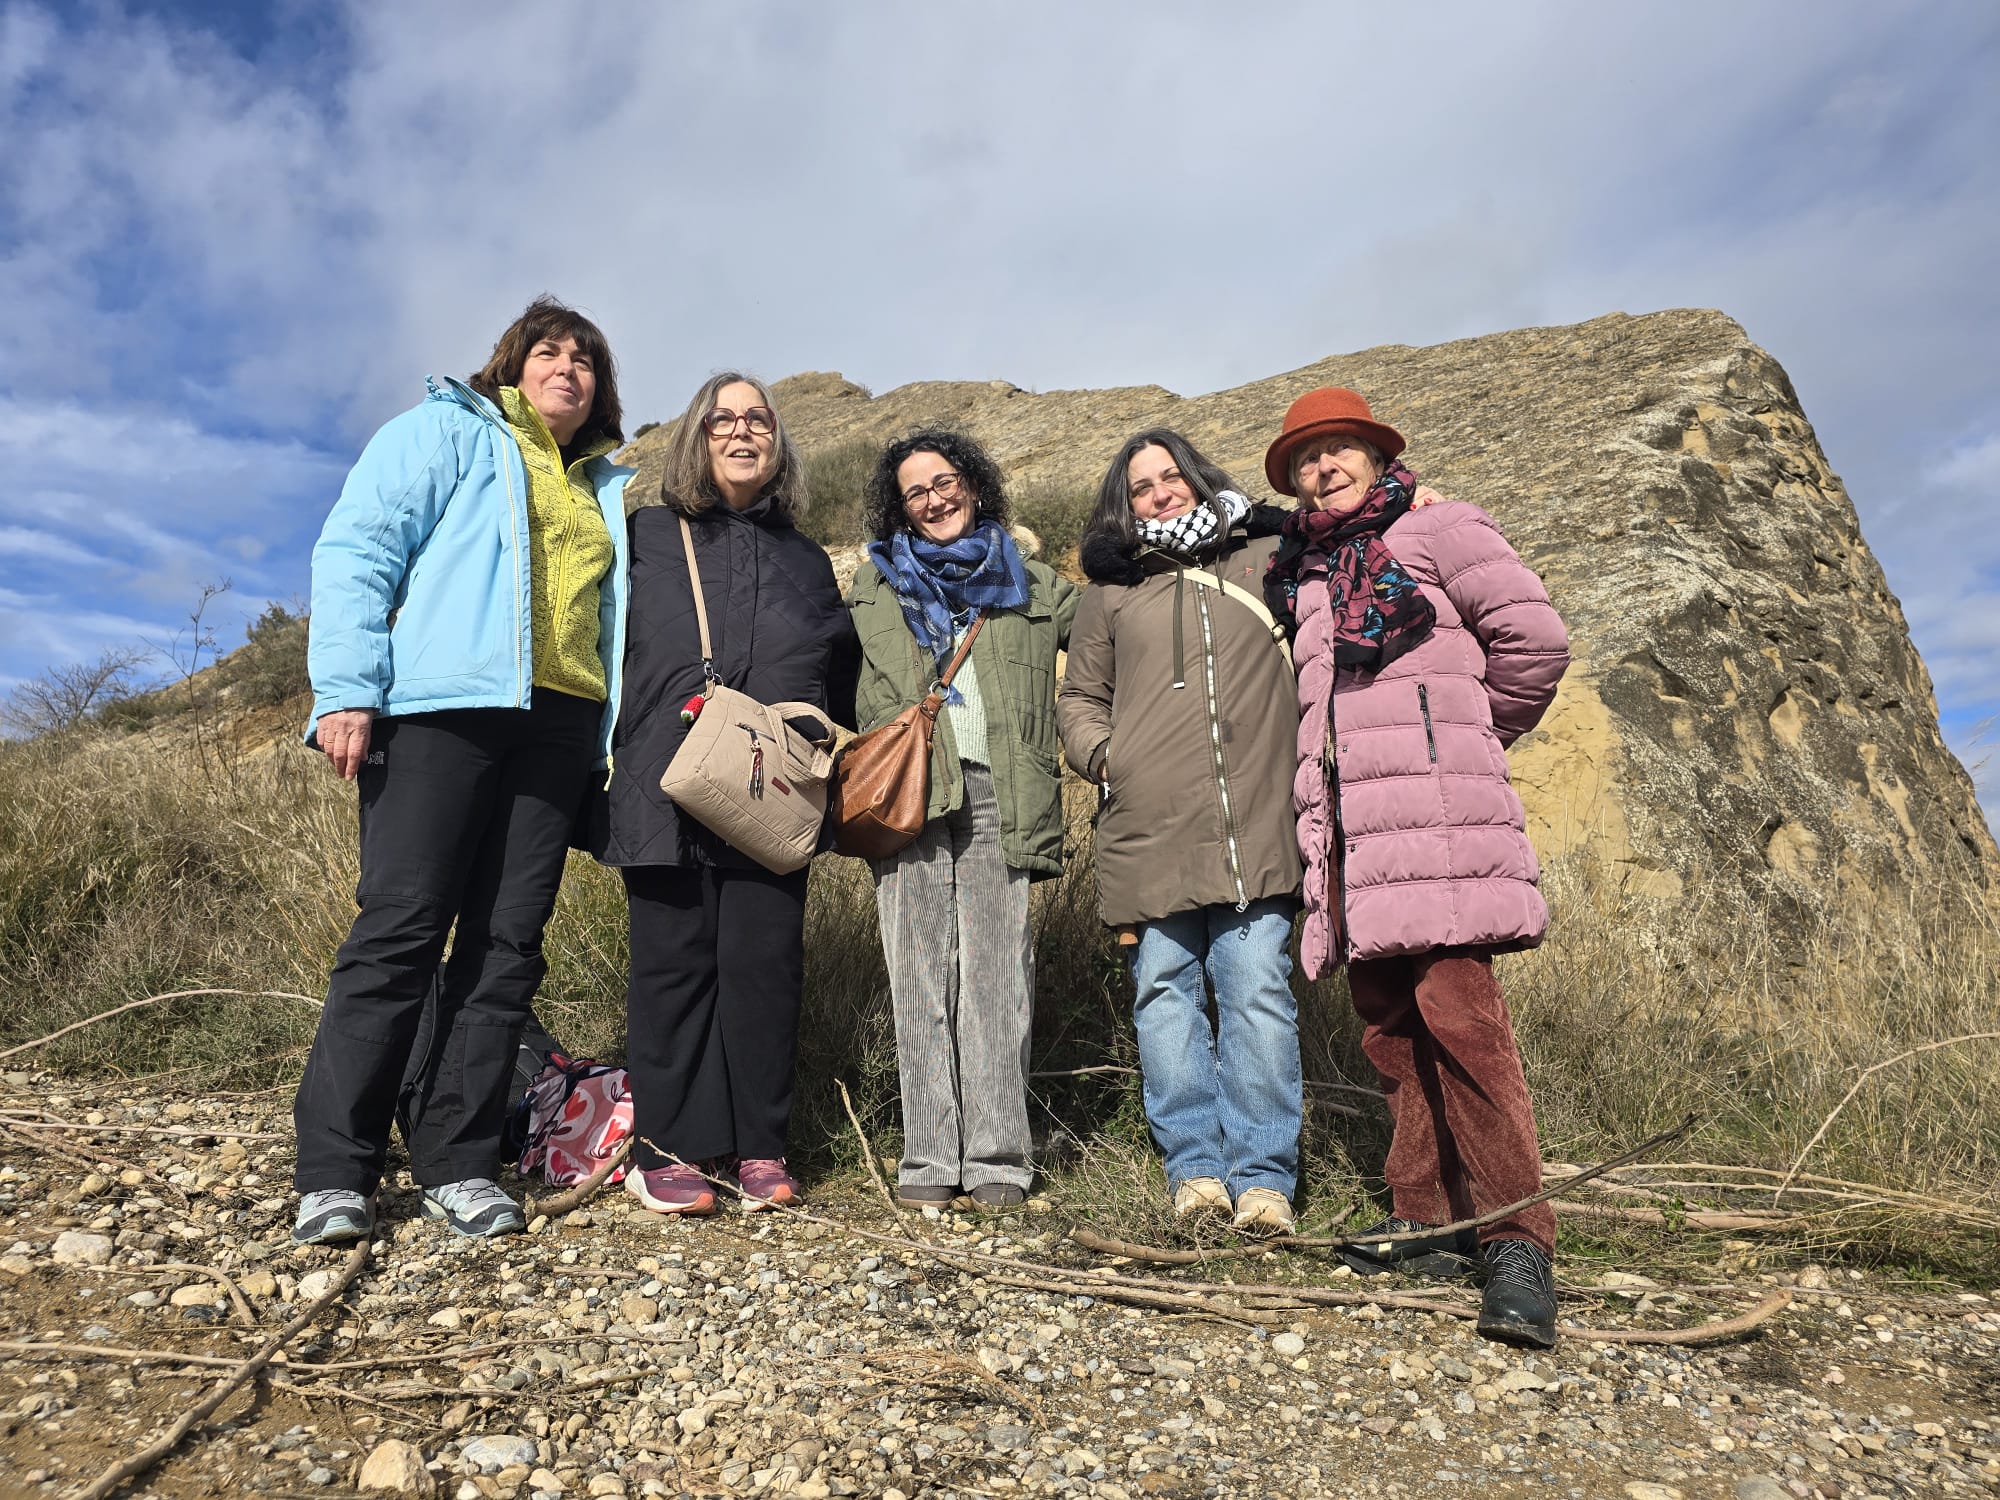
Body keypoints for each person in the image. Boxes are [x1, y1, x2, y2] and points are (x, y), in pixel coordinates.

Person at [294, 296, 633, 1245]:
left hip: (559, 729)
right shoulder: (446, 431)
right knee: (399, 931)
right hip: (442, 712)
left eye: (586, 360)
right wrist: (347, 690)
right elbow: (360, 548)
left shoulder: (601, 482)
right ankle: (334, 1169)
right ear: (512, 364)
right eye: (549, 352)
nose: (567, 368)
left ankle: (457, 1160)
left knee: (505, 947)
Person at [1262, 386, 1570, 1347]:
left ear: (1374, 453)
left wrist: (1469, 743)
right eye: (1307, 458)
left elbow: (1535, 642)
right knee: (1391, 1034)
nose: (1324, 467)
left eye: (1339, 449)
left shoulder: (1444, 530)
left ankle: (1517, 1241)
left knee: (1465, 1025)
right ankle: (1424, 1218)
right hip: (1356, 837)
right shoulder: (1304, 577)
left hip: (1434, 827)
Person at [592, 372, 856, 1217]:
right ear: (696, 439)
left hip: (770, 784)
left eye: (758, 420)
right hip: (661, 776)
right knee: (673, 966)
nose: (743, 433)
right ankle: (670, 1147)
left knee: (762, 966)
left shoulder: (805, 557)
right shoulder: (646, 533)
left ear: (777, 441)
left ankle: (758, 1147)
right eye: (723, 420)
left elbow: (837, 669)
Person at [1056, 429, 1307, 1232]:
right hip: (1147, 824)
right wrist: (1108, 760)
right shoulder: (1110, 592)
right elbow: (1080, 698)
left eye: (1172, 477)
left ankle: (1264, 1177)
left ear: (1198, 479)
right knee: (1165, 993)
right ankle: (1195, 1171)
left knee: (1257, 989)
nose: (1161, 493)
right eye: (1141, 487)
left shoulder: (1269, 553)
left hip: (1256, 819)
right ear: (1122, 505)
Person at [848, 430, 1080, 1211]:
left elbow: (1117, 624)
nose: (935, 499)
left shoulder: (1037, 583)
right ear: (899, 509)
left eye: (946, 482)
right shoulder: (871, 587)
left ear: (975, 487)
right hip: (910, 793)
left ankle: (997, 1157)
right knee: (918, 975)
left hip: (1000, 792)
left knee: (994, 976)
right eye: (917, 492)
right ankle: (928, 1156)